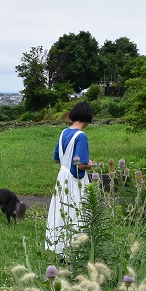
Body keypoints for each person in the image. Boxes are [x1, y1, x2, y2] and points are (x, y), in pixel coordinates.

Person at [45, 101, 95, 256]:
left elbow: (56, 159)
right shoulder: (81, 136)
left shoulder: (63, 133)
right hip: (75, 180)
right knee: (77, 211)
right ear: (87, 118)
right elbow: (81, 165)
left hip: (62, 176)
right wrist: (90, 164)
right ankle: (75, 249)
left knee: (61, 211)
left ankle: (59, 247)